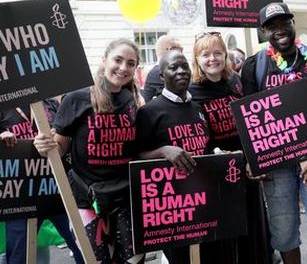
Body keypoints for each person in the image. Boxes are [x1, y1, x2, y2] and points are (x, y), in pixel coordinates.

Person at [241, 2, 307, 264]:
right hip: (277, 162)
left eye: (284, 23)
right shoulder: (254, 66)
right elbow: (249, 120)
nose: (280, 30)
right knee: (283, 228)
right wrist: (256, 160)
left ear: (293, 23)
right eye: (271, 27)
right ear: (263, 33)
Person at [33, 38, 145, 263]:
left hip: (125, 197)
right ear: (104, 61)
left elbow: (138, 149)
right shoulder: (77, 97)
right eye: (118, 60)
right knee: (95, 260)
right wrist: (45, 146)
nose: (123, 68)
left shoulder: (132, 100)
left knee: (133, 259)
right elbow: (60, 145)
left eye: (130, 63)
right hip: (86, 198)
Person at [189, 32, 272, 264]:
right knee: (225, 236)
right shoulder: (191, 90)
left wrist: (250, 159)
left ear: (225, 55)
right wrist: (218, 156)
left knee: (253, 228)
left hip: (246, 166)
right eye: (205, 55)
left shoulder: (236, 82)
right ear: (196, 59)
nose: (212, 59)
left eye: (217, 53)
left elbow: (252, 120)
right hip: (217, 171)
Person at [135, 50, 209, 263]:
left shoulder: (198, 108)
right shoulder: (149, 112)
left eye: (184, 66)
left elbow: (207, 145)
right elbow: (136, 156)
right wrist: (163, 151)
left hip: (203, 200)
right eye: (173, 67)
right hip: (172, 207)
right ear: (161, 76)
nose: (181, 71)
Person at [1, 100, 85, 264]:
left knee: (83, 245)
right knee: (19, 256)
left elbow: (69, 134)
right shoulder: (4, 105)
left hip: (57, 188)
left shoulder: (51, 103)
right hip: (21, 193)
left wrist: (60, 136)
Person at [142, 35, 184, 102]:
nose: (182, 54)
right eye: (181, 50)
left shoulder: (156, 71)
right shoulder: (161, 72)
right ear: (170, 50)